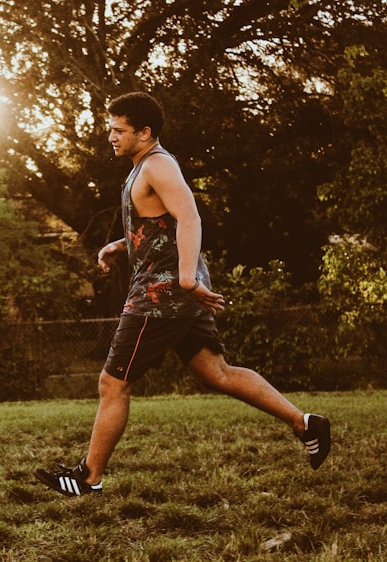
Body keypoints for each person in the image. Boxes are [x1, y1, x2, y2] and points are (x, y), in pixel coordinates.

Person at [35, 92, 331, 497]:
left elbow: (189, 216)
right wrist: (122, 244)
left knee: (112, 382)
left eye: (119, 130)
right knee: (216, 372)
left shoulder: (156, 165)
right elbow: (161, 222)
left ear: (145, 132)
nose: (111, 137)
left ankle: (89, 478)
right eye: (110, 129)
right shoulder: (145, 166)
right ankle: (305, 423)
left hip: (163, 294)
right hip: (171, 289)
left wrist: (188, 279)